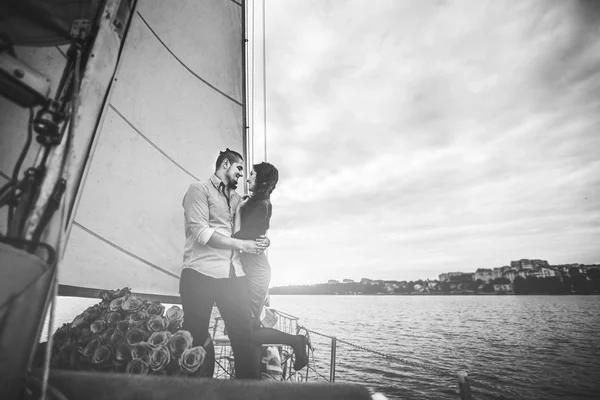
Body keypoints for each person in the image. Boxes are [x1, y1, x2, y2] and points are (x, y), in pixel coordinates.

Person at [179, 149, 268, 379]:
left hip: (235, 276)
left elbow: (251, 229)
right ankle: (202, 393)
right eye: (239, 168)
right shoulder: (198, 189)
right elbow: (200, 232)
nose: (242, 175)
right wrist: (242, 245)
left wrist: (264, 239)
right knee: (196, 339)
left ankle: (247, 394)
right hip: (199, 274)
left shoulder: (239, 200)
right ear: (225, 164)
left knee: (245, 339)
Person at [233, 162, 311, 371]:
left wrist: (239, 210)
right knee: (251, 326)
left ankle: (296, 342)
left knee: (248, 329)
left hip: (255, 271)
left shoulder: (259, 205)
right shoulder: (257, 202)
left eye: (252, 174)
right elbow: (260, 235)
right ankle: (254, 372)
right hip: (254, 268)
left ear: (261, 180)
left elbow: (240, 237)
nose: (248, 178)